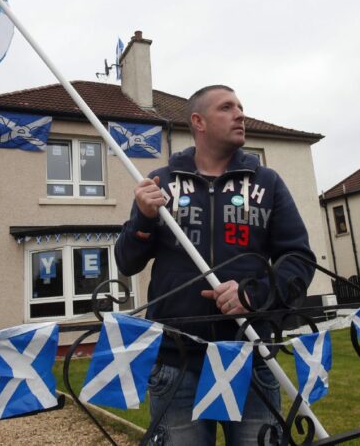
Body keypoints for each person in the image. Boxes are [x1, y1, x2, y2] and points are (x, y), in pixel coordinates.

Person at [115, 85, 316, 445]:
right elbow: (126, 262)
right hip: (176, 364)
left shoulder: (267, 182)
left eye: (241, 106)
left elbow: (298, 259)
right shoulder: (159, 184)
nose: (240, 113)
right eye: (227, 108)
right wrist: (143, 220)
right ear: (198, 122)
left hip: (250, 357)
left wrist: (254, 297)